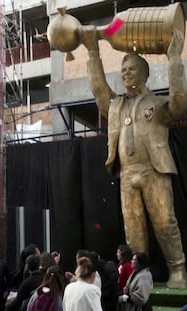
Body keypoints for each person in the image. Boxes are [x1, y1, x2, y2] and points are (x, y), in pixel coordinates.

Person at [80, 25, 187, 288]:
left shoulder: (158, 105)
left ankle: (178, 270)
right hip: (127, 173)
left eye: (132, 70)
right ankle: (138, 274)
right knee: (134, 231)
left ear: (145, 74)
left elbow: (179, 101)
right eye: (123, 71)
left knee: (165, 223)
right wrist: (93, 52)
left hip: (154, 171)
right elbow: (99, 91)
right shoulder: (116, 106)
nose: (126, 74)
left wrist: (174, 59)